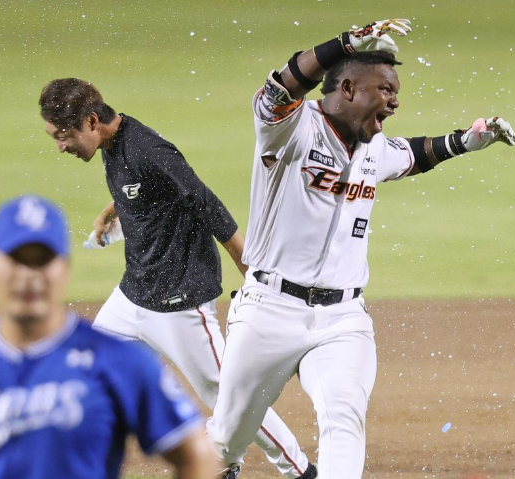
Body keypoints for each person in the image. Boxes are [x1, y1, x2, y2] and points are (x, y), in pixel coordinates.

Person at [206, 18, 515, 479]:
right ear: (347, 88)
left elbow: (413, 154)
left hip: (342, 319)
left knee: (343, 416)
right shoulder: (289, 129)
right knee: (224, 443)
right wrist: (344, 43)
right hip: (268, 310)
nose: (395, 99)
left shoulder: (374, 148)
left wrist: (465, 142)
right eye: (386, 89)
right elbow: (280, 86)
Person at [38, 80, 316, 479]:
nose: (60, 146)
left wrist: (252, 273)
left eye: (63, 136)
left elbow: (206, 203)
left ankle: (301, 471)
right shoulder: (112, 144)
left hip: (181, 306)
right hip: (132, 299)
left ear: (91, 121)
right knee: (85, 374)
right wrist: (114, 209)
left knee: (229, 399)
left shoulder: (148, 149)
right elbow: (147, 187)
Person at [0, 195, 218, 479]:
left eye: (43, 260)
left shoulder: (118, 360)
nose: (29, 275)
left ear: (64, 268)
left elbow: (195, 456)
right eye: (16, 260)